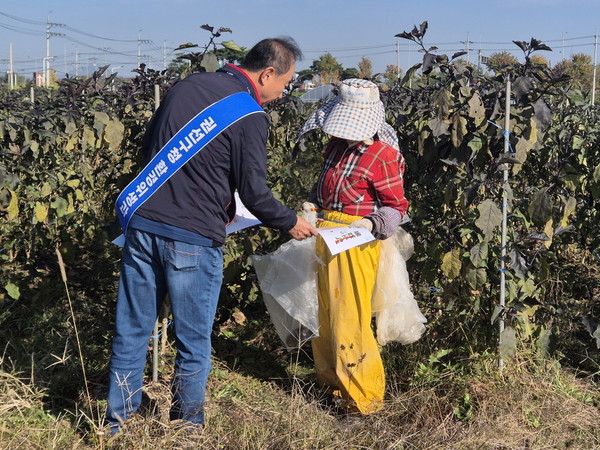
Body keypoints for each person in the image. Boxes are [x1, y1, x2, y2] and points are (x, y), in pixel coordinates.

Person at [105, 36, 318, 433]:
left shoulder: (187, 86)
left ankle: (117, 423)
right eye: (284, 84)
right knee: (192, 338)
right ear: (267, 73)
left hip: (144, 224)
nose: (280, 93)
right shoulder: (249, 115)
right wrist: (289, 221)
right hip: (191, 238)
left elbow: (150, 151)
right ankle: (186, 426)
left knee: (132, 328)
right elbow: (254, 192)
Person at [296, 78, 409, 415]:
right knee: (324, 316)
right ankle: (331, 386)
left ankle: (363, 400)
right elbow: (325, 189)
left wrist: (372, 223)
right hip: (325, 237)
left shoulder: (382, 155)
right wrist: (312, 205)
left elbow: (397, 206)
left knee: (349, 318)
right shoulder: (335, 147)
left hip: (357, 241)